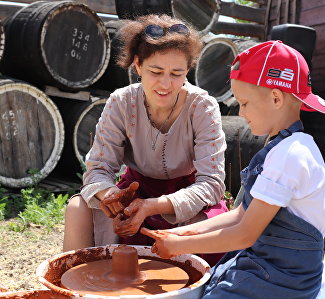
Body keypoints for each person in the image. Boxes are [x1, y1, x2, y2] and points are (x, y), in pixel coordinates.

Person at [141, 40, 325, 299]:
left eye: (245, 103)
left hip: (285, 281)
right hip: (268, 267)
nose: (240, 112)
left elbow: (244, 234)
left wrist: (179, 246)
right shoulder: (283, 146)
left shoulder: (292, 154)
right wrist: (179, 232)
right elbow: (241, 214)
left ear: (276, 97)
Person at [63, 14, 228, 265]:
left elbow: (212, 184)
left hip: (186, 197)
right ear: (138, 65)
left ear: (187, 71)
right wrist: (110, 196)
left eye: (176, 73)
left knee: (205, 229)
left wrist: (153, 206)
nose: (166, 83)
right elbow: (98, 168)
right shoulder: (121, 101)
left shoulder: (202, 106)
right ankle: (72, 286)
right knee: (77, 208)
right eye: (156, 71)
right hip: (133, 192)